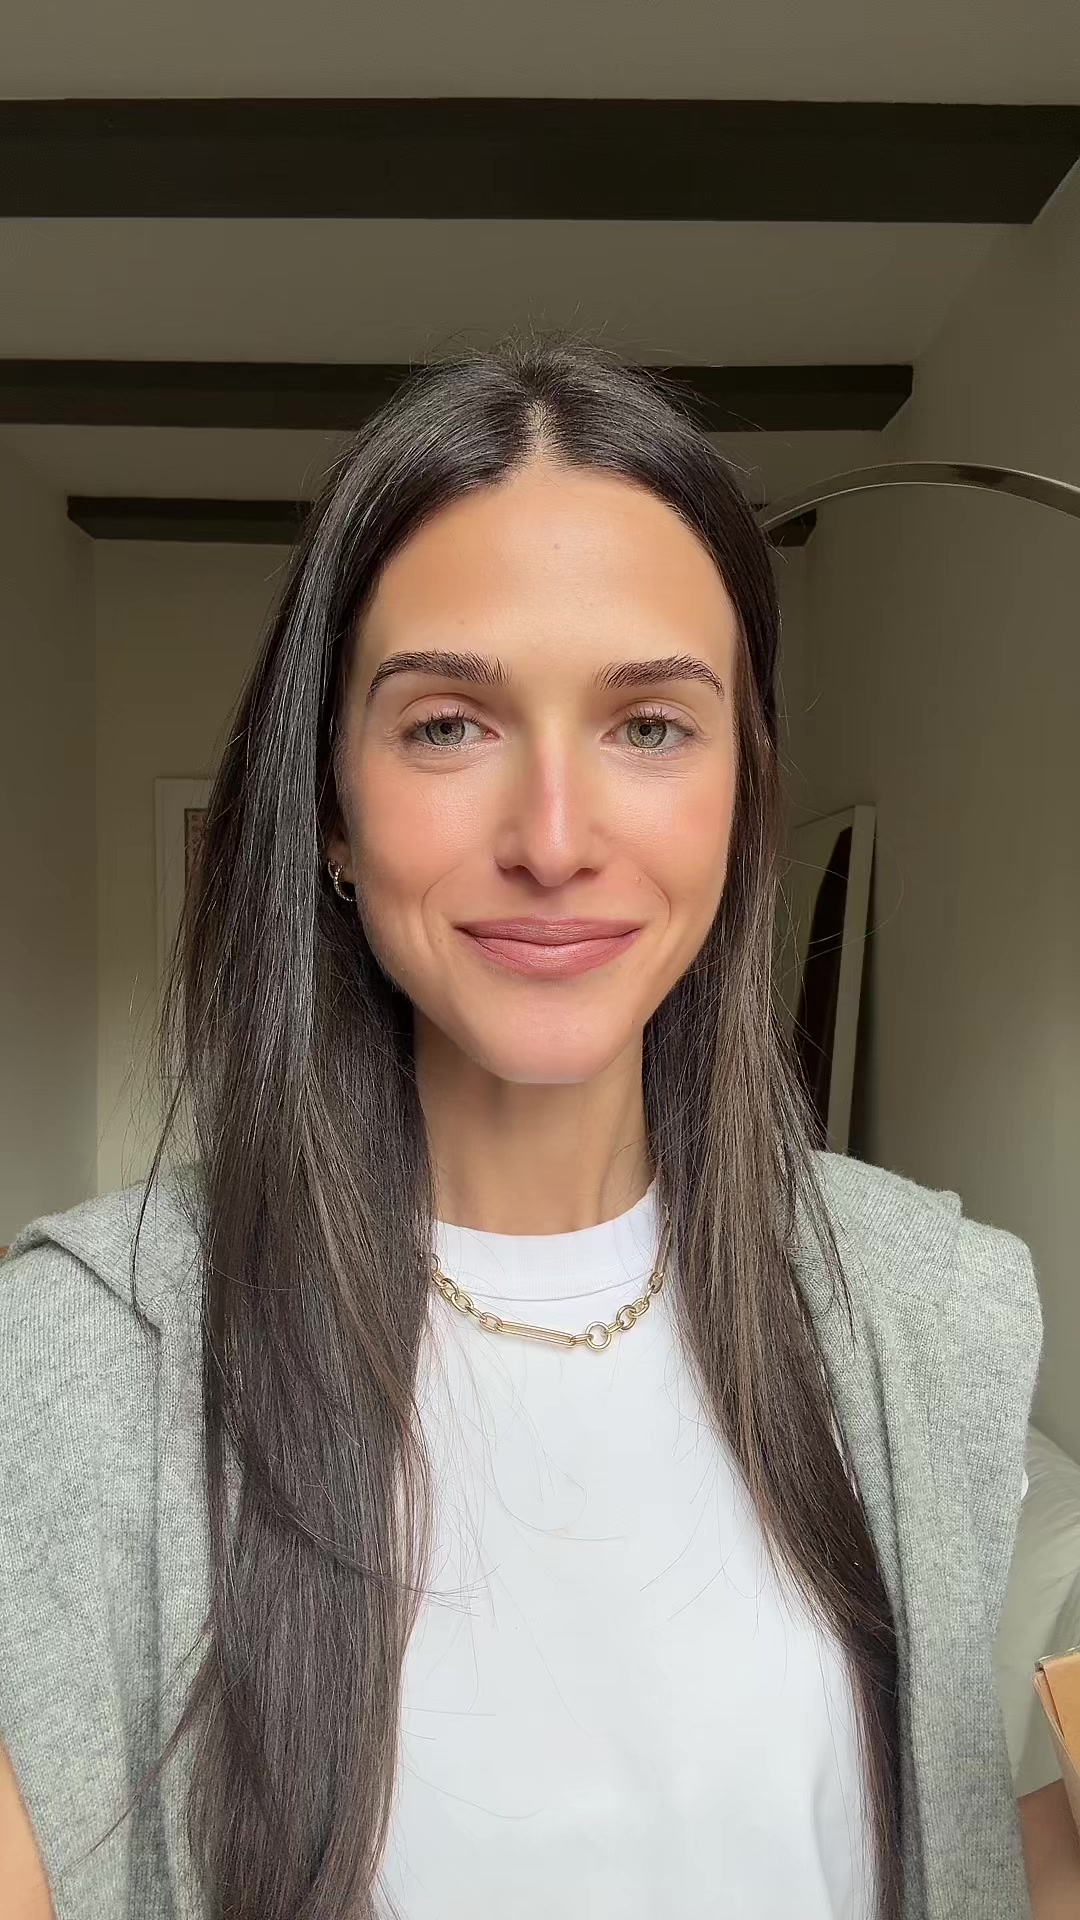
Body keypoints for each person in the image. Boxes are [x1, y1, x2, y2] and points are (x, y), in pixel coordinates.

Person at [0, 335, 1071, 1920]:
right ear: (334, 811)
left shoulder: (935, 1308)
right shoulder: (89, 1354)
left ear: (743, 795)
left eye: (651, 726)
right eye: (449, 724)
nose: (555, 840)